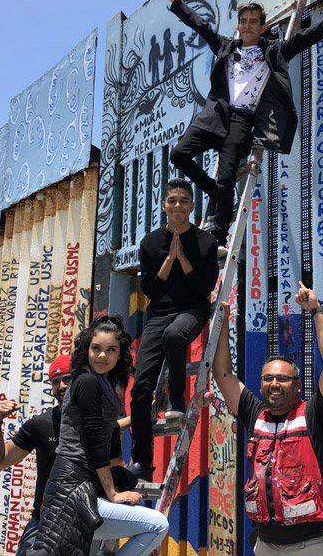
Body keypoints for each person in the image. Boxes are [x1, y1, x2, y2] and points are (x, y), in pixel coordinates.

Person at [150, 0, 323, 250]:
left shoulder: (274, 52)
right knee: (179, 154)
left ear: (263, 27)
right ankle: (212, 191)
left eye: (253, 21)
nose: (247, 25)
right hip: (216, 114)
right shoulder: (225, 47)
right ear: (239, 26)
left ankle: (218, 235)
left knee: (227, 176)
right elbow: (199, 25)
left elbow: (309, 35)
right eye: (243, 21)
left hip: (242, 121)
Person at [213, 282, 323, 555]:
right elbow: (223, 372)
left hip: (312, 543)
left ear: (297, 385)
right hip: (266, 543)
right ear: (260, 385)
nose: (274, 384)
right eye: (268, 378)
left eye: (283, 379)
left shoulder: (316, 414)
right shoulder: (255, 412)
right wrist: (222, 319)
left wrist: (316, 310)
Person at [32, 316, 169, 555]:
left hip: (81, 487)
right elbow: (95, 440)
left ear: (119, 355)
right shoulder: (87, 381)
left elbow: (105, 427)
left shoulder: (100, 383)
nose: (102, 356)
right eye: (96, 348)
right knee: (158, 525)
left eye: (110, 350)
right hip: (73, 490)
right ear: (86, 349)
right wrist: (113, 493)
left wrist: (141, 416)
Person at [126, 178, 219, 481]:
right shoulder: (150, 243)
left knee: (175, 335)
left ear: (192, 206)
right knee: (139, 390)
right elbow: (150, 290)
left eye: (183, 200)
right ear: (164, 206)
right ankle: (141, 459)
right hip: (159, 313)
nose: (177, 206)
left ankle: (176, 396)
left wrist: (184, 259)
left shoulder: (205, 242)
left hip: (193, 310)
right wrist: (169, 259)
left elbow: (204, 288)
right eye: (172, 201)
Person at [0, 355, 72, 556]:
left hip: (85, 519)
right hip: (45, 519)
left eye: (68, 379)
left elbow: (114, 428)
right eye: (55, 381)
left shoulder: (94, 420)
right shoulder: (41, 424)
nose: (61, 386)